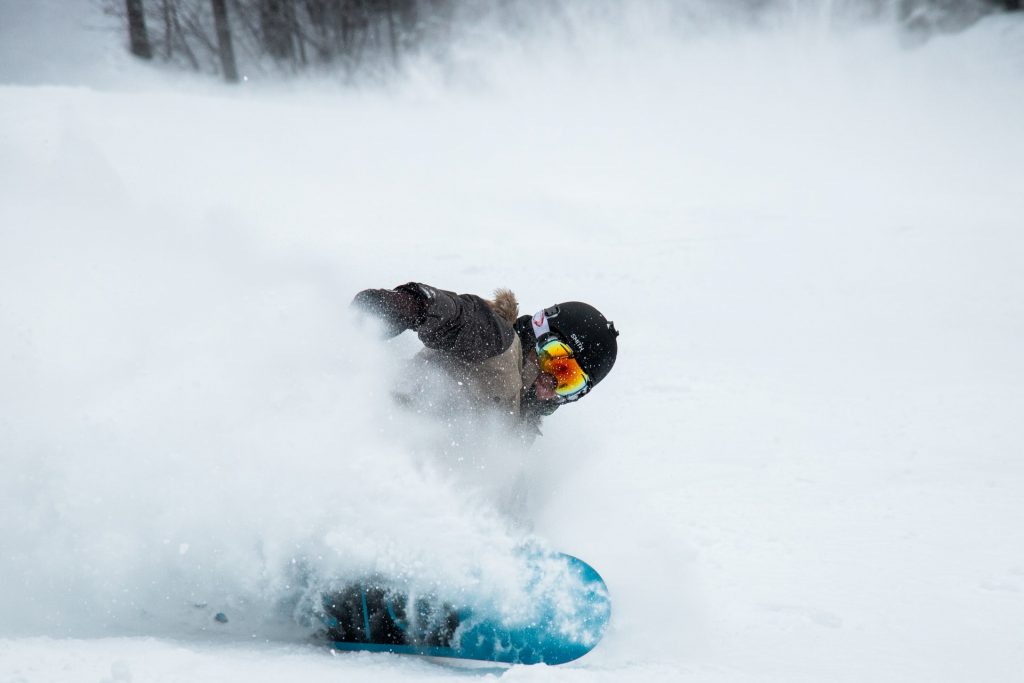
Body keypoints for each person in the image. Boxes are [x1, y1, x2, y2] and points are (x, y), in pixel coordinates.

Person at [352, 282, 618, 441]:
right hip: (377, 432)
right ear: (539, 331)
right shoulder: (498, 343)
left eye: (569, 383)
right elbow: (459, 316)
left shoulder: (520, 426)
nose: (550, 384)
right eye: (557, 362)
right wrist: (408, 306)